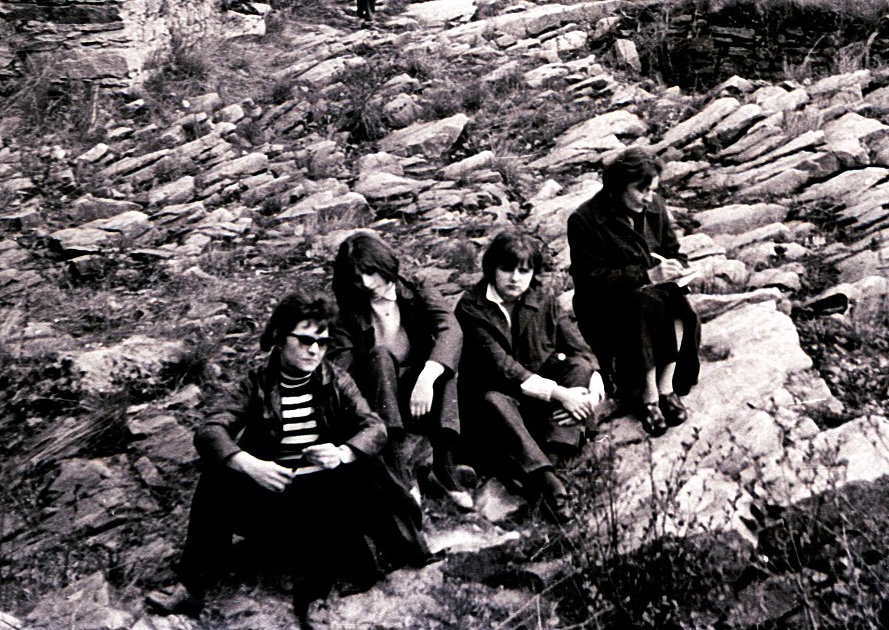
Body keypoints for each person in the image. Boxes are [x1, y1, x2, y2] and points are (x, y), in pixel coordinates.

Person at [145, 291, 431, 630]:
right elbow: (210, 430)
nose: (314, 350)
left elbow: (374, 426)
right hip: (273, 494)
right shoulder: (255, 383)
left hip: (326, 499)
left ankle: (319, 594)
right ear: (280, 338)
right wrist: (249, 463)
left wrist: (341, 453)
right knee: (215, 476)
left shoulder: (336, 379)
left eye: (322, 343)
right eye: (305, 340)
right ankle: (192, 587)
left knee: (355, 471)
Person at [455, 229, 603, 523]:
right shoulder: (471, 306)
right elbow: (502, 366)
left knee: (579, 368)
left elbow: (578, 347)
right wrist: (563, 395)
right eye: (506, 269)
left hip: (534, 405)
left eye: (524, 271)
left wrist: (594, 387)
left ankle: (545, 460)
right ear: (491, 269)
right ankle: (550, 482)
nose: (515, 278)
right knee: (494, 399)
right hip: (492, 407)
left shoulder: (543, 298)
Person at [329, 230, 476, 510]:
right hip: (377, 397)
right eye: (357, 276)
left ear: (385, 264)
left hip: (418, 390)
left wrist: (428, 375)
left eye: (371, 272)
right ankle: (401, 473)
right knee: (380, 355)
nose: (367, 283)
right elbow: (341, 368)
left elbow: (450, 330)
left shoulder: (416, 288)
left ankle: (444, 470)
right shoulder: (347, 309)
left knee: (445, 370)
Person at [566, 147, 700, 437]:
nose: (649, 197)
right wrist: (646, 275)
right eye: (641, 190)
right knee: (642, 301)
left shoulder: (654, 207)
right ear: (617, 186)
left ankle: (666, 387)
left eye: (652, 190)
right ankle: (648, 395)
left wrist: (679, 269)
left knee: (676, 301)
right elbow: (591, 280)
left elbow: (672, 252)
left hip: (656, 295)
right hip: (605, 308)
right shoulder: (584, 220)